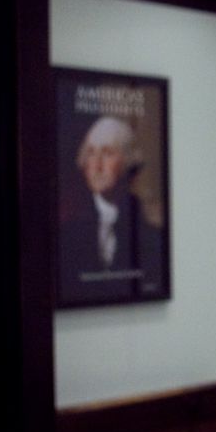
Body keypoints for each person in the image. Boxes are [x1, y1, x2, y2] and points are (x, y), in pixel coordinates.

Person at [58, 114, 167, 305]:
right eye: (91, 153)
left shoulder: (150, 235)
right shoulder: (68, 233)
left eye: (107, 153)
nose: (97, 165)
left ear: (128, 161)